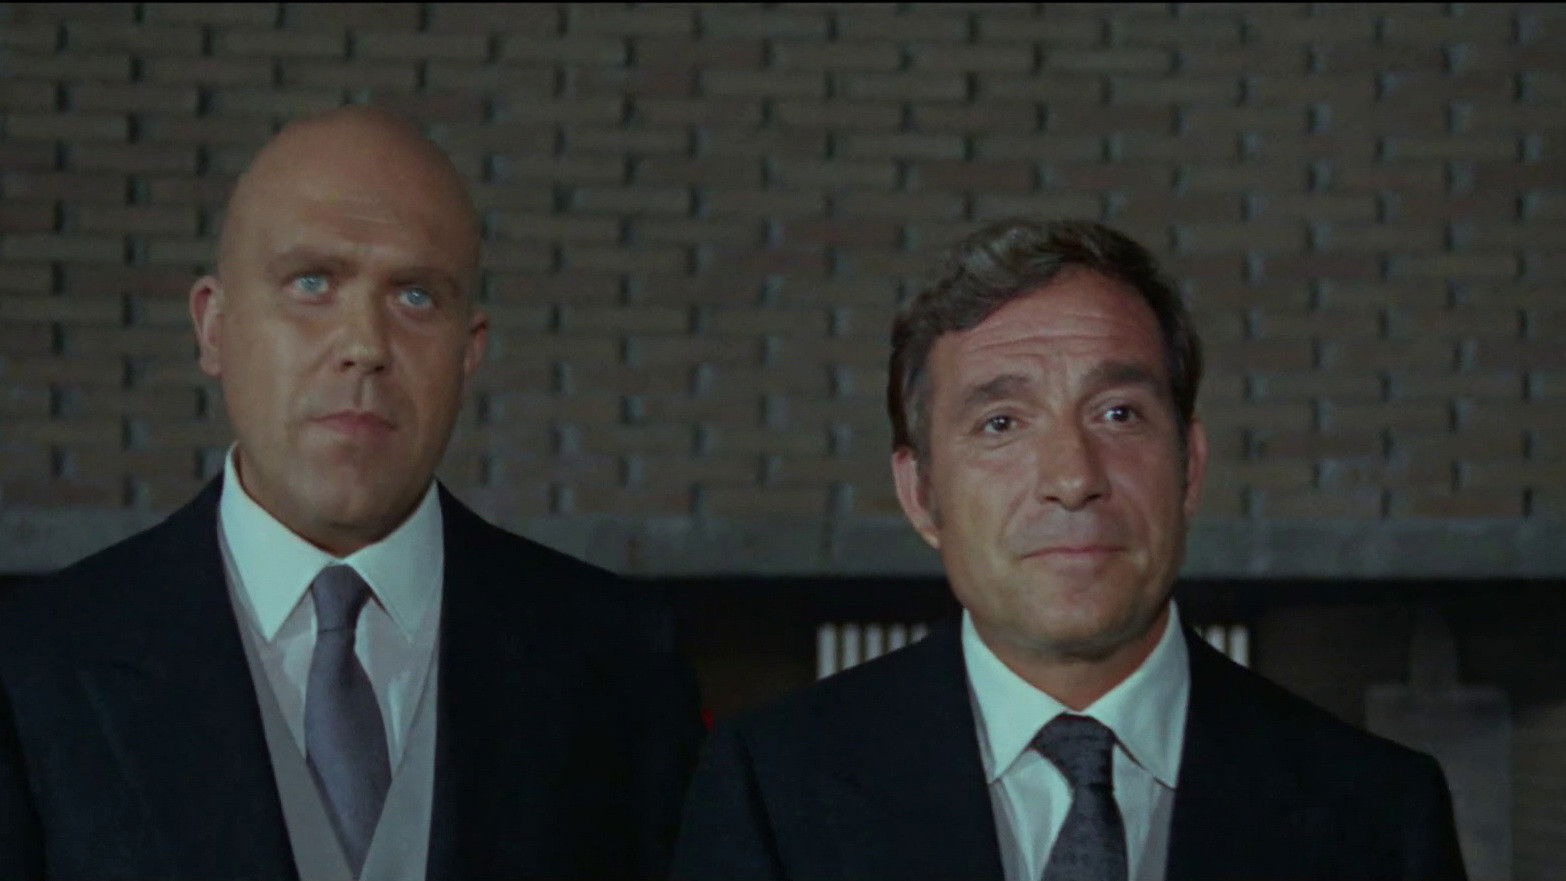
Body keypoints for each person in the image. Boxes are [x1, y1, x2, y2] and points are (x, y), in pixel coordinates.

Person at [0, 107, 702, 881]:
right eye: (312, 283)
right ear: (214, 327)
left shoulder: (624, 663)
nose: (366, 345)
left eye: (416, 296)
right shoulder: (31, 664)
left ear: (469, 351)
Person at [672, 219, 1466, 881]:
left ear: (1189, 466)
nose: (1073, 477)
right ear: (921, 493)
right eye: (1002, 423)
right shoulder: (769, 787)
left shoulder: (1380, 809)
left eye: (1118, 413)